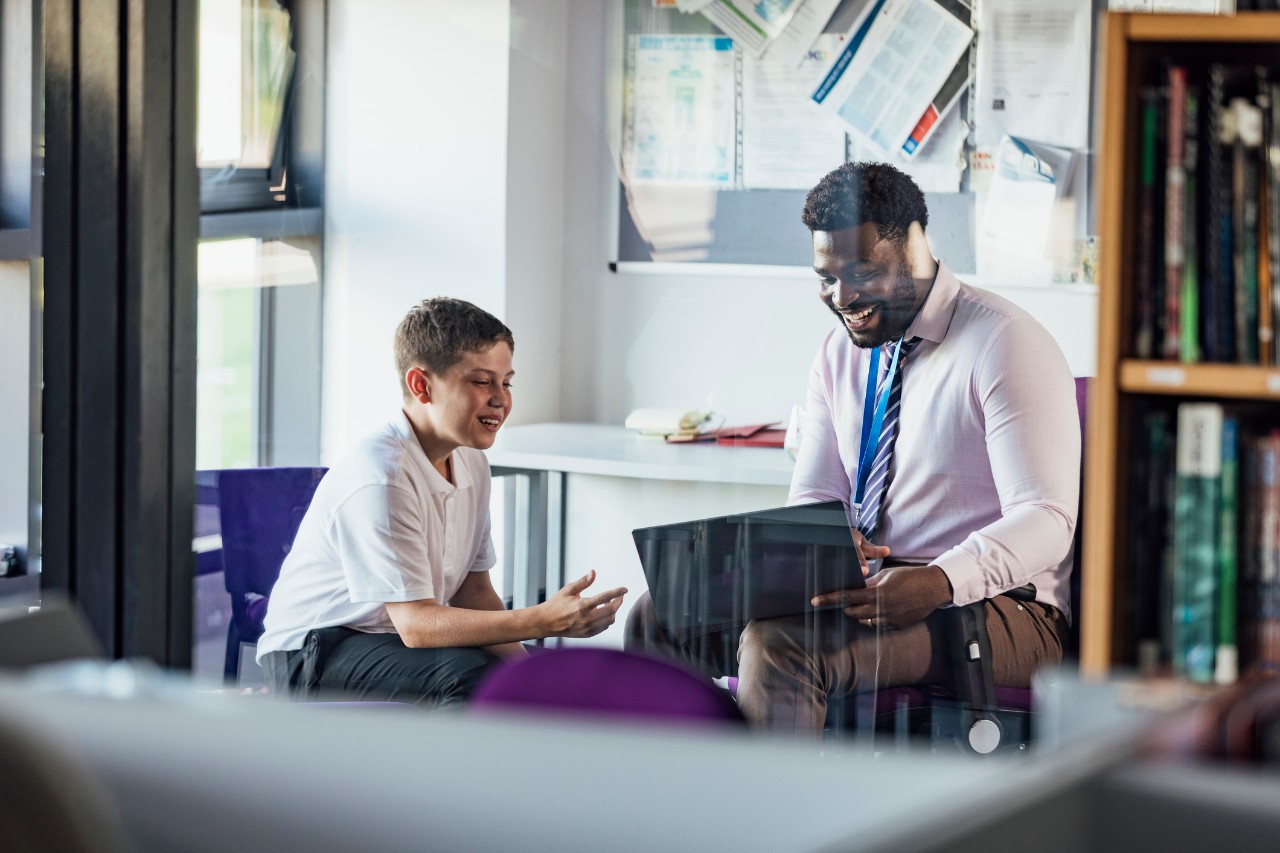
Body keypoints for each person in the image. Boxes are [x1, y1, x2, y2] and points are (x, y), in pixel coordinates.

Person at [626, 162, 1079, 736]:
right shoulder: (838, 355)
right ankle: (677, 806)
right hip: (868, 589)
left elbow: (1047, 518)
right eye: (826, 277)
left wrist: (939, 580)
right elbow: (815, 497)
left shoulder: (1003, 342)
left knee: (779, 646)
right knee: (659, 616)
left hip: (1001, 609)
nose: (843, 297)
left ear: (915, 246)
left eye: (863, 272)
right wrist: (828, 543)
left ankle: (772, 822)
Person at [258, 297, 627, 705]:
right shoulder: (383, 477)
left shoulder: (471, 460)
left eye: (507, 382)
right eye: (482, 382)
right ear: (421, 385)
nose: (501, 399)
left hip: (394, 641)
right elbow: (416, 625)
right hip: (315, 650)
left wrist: (530, 673)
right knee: (473, 682)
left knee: (552, 679)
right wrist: (540, 619)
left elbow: (473, 593)